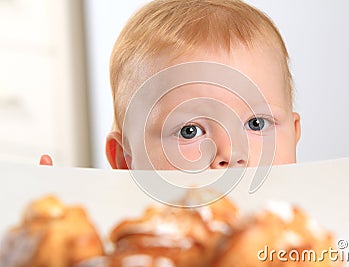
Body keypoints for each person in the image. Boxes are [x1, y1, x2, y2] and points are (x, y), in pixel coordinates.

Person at [41, 0, 301, 169]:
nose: (230, 152)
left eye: (256, 124)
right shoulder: (127, 242)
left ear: (295, 132)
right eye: (190, 131)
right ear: (125, 160)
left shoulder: (309, 237)